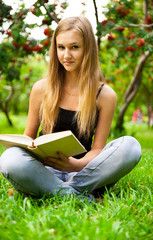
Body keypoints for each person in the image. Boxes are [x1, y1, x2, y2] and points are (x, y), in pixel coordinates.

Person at [0, 16, 141, 199]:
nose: (66, 55)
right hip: (44, 171)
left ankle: (59, 191)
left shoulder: (105, 95)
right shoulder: (41, 89)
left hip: (83, 171)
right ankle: (77, 196)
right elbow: (29, 138)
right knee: (9, 158)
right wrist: (24, 146)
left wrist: (75, 165)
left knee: (131, 146)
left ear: (87, 49)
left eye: (74, 47)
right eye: (61, 47)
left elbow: (98, 150)